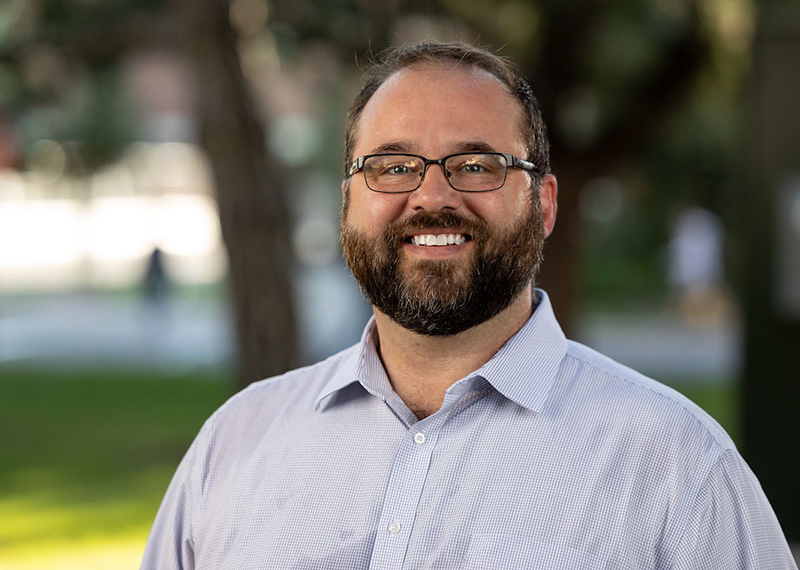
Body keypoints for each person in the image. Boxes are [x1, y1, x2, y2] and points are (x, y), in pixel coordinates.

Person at [141, 42, 796, 569]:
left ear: (543, 205)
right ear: (348, 203)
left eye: (476, 166)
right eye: (392, 166)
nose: (430, 197)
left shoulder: (679, 469)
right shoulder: (235, 444)